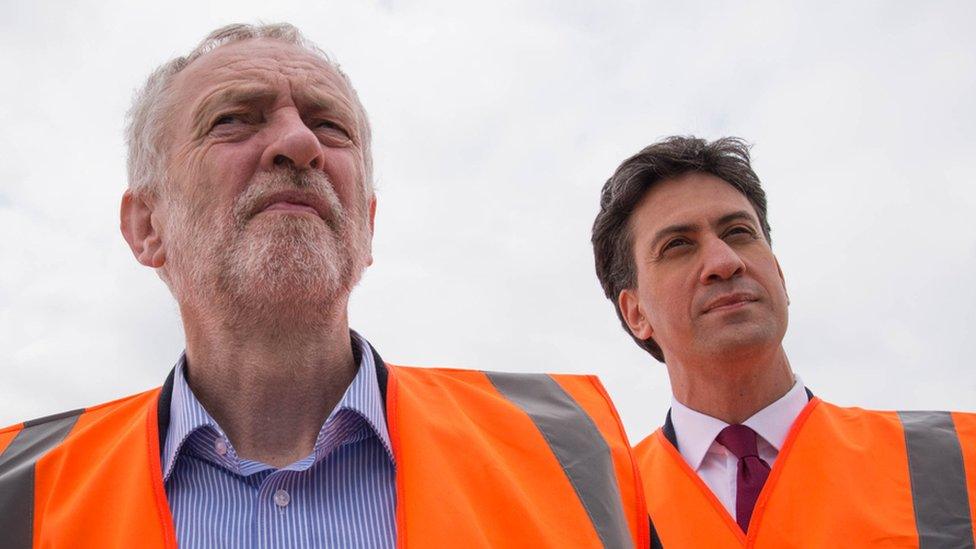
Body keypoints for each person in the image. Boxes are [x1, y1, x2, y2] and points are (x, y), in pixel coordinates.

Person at [0, 23, 648, 548]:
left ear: (366, 226)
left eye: (329, 125)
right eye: (234, 119)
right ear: (147, 225)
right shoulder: (15, 491)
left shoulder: (573, 450)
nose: (299, 142)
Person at [591, 136, 976, 547]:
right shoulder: (602, 516)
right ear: (636, 313)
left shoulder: (955, 461)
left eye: (739, 232)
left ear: (779, 275)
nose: (725, 262)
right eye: (678, 245)